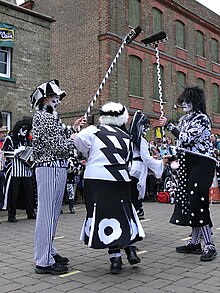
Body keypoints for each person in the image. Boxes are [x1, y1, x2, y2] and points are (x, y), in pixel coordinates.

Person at [73, 102, 145, 274]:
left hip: (97, 178)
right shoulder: (127, 137)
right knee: (124, 213)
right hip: (120, 178)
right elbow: (128, 160)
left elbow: (80, 144)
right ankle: (130, 248)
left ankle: (115, 260)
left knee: (104, 217)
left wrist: (77, 130)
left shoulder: (94, 130)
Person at [31, 79, 86, 275]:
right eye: (56, 97)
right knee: (47, 215)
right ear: (46, 98)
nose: (59, 101)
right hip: (50, 167)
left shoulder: (48, 117)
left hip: (54, 167)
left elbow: (57, 139)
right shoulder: (45, 118)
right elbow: (58, 147)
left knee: (51, 214)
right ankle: (43, 260)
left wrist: (72, 129)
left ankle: (49, 251)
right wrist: (72, 140)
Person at [159, 86, 217, 261]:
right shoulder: (184, 119)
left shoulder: (202, 119)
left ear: (195, 102)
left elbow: (185, 138)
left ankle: (209, 244)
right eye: (183, 101)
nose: (183, 104)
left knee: (197, 201)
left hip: (202, 162)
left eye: (187, 101)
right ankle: (194, 242)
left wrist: (169, 125)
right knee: (189, 202)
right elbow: (181, 144)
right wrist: (173, 156)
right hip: (188, 163)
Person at [129, 111, 165, 218]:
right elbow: (146, 158)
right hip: (138, 169)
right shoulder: (141, 140)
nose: (148, 129)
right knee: (136, 196)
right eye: (146, 126)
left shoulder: (129, 138)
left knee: (132, 194)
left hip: (131, 168)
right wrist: (160, 163)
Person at [1, 119, 36, 222]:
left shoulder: (28, 139)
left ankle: (30, 212)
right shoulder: (10, 139)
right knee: (14, 194)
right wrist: (16, 151)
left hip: (26, 171)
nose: (25, 131)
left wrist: (31, 160)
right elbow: (4, 153)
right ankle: (12, 214)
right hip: (14, 172)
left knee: (28, 193)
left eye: (27, 129)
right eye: (23, 129)